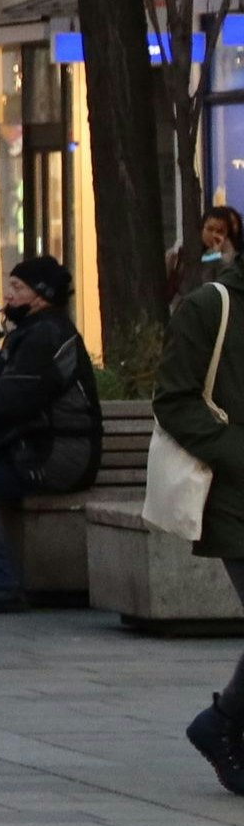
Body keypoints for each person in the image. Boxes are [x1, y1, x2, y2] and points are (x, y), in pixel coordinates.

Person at [0, 253, 89, 615]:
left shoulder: (47, 336)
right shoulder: (33, 331)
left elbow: (10, 400)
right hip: (40, 445)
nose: (7, 295)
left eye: (17, 287)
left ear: (40, 295)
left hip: (55, 455)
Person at [155, 247, 244, 792]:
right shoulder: (212, 306)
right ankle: (223, 724)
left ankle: (223, 723)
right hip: (236, 496)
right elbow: (175, 401)